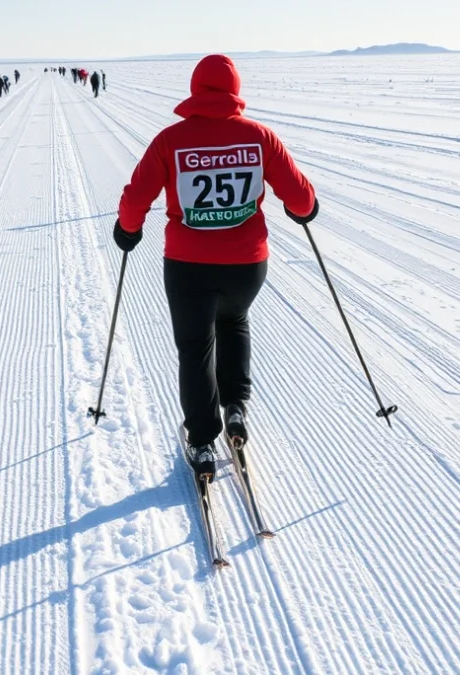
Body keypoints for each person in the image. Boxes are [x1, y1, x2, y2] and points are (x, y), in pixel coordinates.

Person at [111, 55, 317, 481]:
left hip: (189, 266)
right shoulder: (259, 137)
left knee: (195, 347)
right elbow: (299, 197)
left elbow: (136, 198)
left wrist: (127, 230)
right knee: (234, 320)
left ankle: (203, 437)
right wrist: (307, 209)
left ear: (196, 89)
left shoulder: (171, 140)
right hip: (247, 266)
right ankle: (236, 407)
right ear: (234, 89)